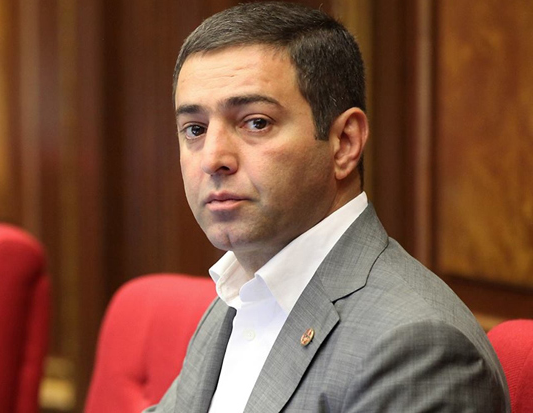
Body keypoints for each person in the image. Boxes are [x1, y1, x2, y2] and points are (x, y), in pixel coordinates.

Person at [146, 2, 510, 412]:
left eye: (256, 122)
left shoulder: (417, 347)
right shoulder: (241, 293)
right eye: (195, 129)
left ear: (344, 143)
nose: (213, 159)